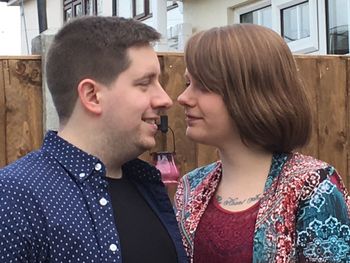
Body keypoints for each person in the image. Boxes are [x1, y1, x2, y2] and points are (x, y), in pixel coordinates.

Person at [0, 16, 187, 263]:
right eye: (145, 83)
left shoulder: (147, 186)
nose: (165, 99)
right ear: (92, 96)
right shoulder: (14, 197)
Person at [174, 24, 350, 263]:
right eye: (187, 84)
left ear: (250, 93)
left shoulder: (312, 187)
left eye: (203, 86)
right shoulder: (191, 188)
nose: (183, 98)